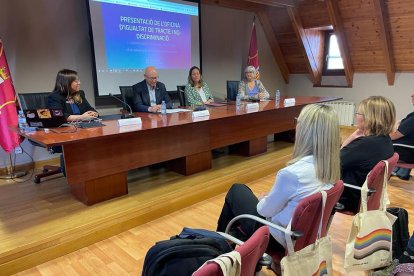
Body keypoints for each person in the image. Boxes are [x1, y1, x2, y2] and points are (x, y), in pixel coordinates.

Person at [216, 104, 340, 251]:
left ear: (305, 131)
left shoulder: (292, 174)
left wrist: (263, 200)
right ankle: (232, 243)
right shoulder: (329, 167)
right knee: (242, 213)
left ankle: (218, 249)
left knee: (236, 191)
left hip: (275, 238)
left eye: (298, 122)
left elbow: (264, 211)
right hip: (302, 237)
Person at [340, 96, 395, 213]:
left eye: (359, 113)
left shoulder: (364, 144)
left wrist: (352, 137)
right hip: (364, 195)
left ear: (369, 118)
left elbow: (331, 164)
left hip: (347, 197)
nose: (357, 116)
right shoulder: (385, 140)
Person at [389, 93, 414, 180]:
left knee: (376, 145)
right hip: (407, 149)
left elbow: (395, 135)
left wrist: (379, 136)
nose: (412, 95)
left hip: (406, 151)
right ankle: (401, 172)